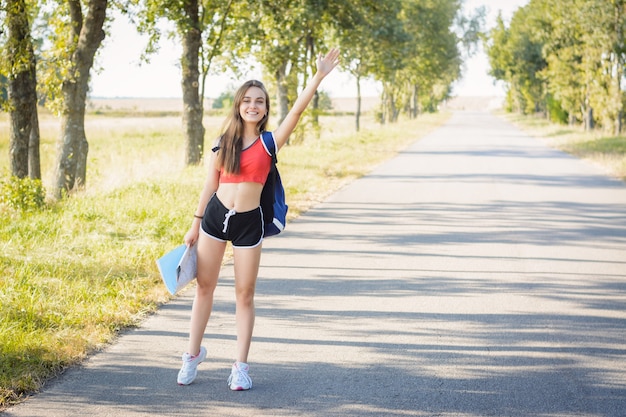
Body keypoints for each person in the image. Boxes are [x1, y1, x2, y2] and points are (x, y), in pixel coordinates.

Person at [177, 48, 340, 390]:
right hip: (214, 219)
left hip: (249, 222)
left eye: (260, 101)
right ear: (238, 105)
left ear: (265, 109)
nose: (253, 105)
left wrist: (319, 75)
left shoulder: (269, 142)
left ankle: (240, 367)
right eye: (248, 100)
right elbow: (210, 184)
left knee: (244, 294)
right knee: (204, 287)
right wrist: (195, 224)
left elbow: (296, 112)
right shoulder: (223, 143)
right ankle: (192, 354)